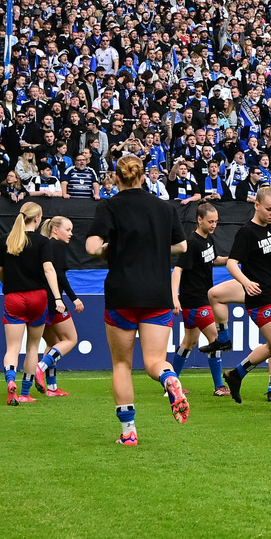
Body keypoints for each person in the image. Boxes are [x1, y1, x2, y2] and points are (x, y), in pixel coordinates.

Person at [85, 154, 190, 446]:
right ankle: (169, 378)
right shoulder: (164, 207)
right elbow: (181, 245)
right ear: (143, 177)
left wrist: (108, 248)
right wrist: (153, 245)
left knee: (121, 364)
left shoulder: (109, 206)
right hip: (157, 293)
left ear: (116, 179)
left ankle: (129, 431)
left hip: (122, 293)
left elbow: (91, 245)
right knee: (155, 360)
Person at [202, 209, 271, 403]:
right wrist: (246, 282)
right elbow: (235, 262)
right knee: (215, 294)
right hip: (262, 293)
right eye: (269, 208)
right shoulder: (252, 231)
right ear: (258, 206)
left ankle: (244, 376)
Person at [0, 202, 64, 406]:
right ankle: (24, 393)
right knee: (32, 347)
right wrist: (57, 298)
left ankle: (10, 380)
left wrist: (9, 285)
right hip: (37, 297)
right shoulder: (42, 242)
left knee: (12, 348)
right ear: (38, 218)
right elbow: (49, 270)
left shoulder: (6, 240)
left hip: (13, 297)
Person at [170, 203, 232, 396]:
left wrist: (233, 259)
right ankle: (219, 386)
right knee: (216, 339)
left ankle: (171, 384)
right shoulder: (192, 243)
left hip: (200, 299)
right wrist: (174, 298)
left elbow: (213, 260)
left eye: (216, 221)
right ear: (199, 219)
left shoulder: (208, 240)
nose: (214, 225)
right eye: (210, 221)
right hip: (195, 300)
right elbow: (177, 270)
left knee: (188, 342)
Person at [32, 216, 85, 397]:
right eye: (68, 229)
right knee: (71, 339)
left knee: (53, 343)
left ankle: (52, 388)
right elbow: (60, 274)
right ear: (55, 230)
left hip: (39, 300)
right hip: (53, 300)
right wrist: (73, 298)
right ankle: (40, 366)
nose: (71, 234)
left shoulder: (45, 246)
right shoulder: (58, 246)